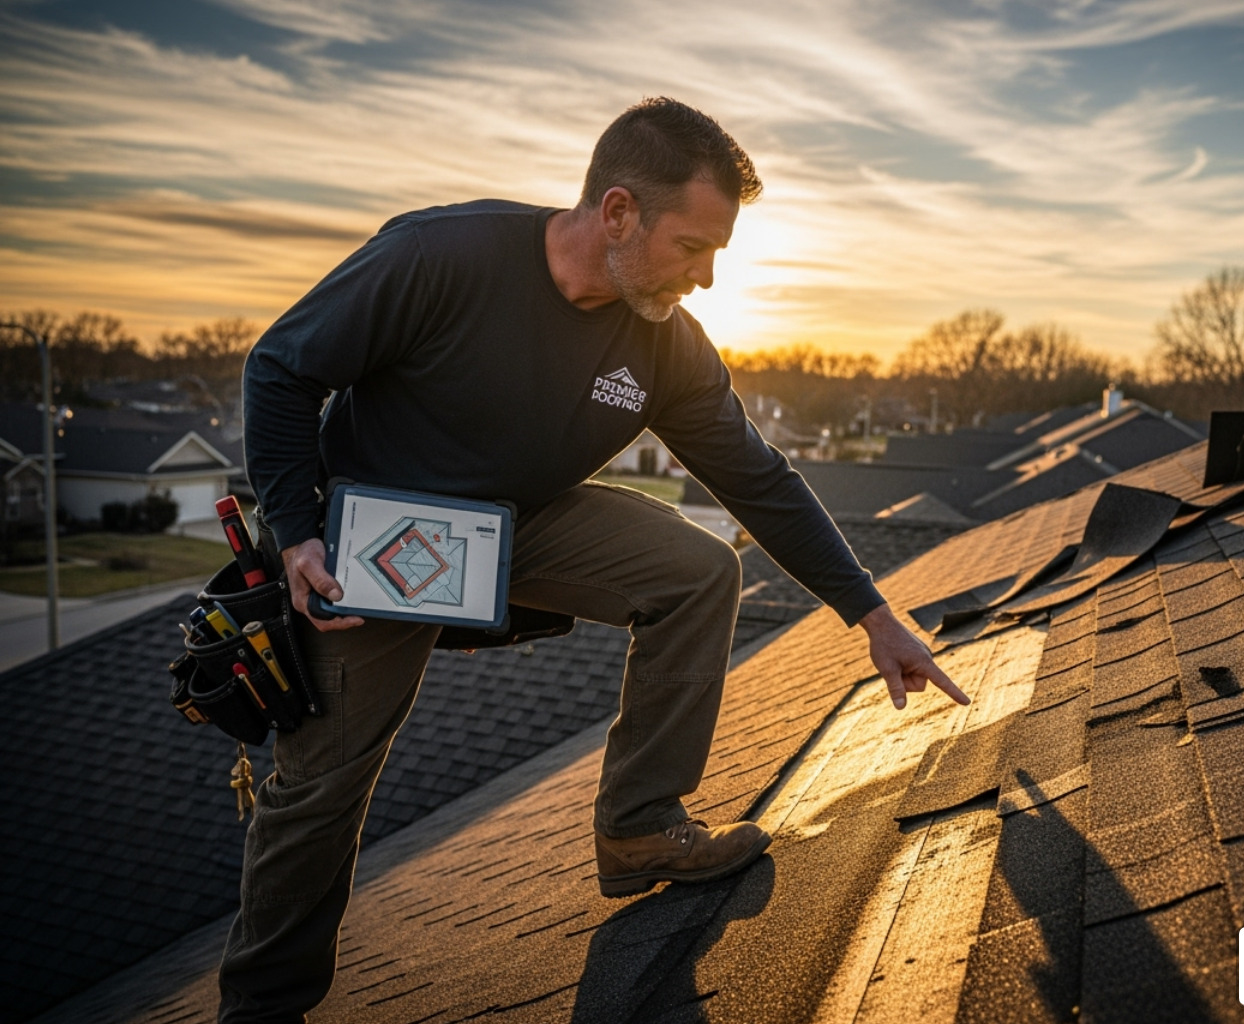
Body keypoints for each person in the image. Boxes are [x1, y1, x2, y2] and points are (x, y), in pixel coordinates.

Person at [226, 96, 967, 1022]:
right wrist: (297, 530)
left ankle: (639, 829)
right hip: (371, 539)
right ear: (617, 212)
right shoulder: (437, 257)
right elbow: (281, 368)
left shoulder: (663, 344)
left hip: (520, 520)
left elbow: (760, 479)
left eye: (717, 256)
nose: (704, 279)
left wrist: (874, 616)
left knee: (699, 572)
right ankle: (260, 1005)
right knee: (323, 785)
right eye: (691, 248)